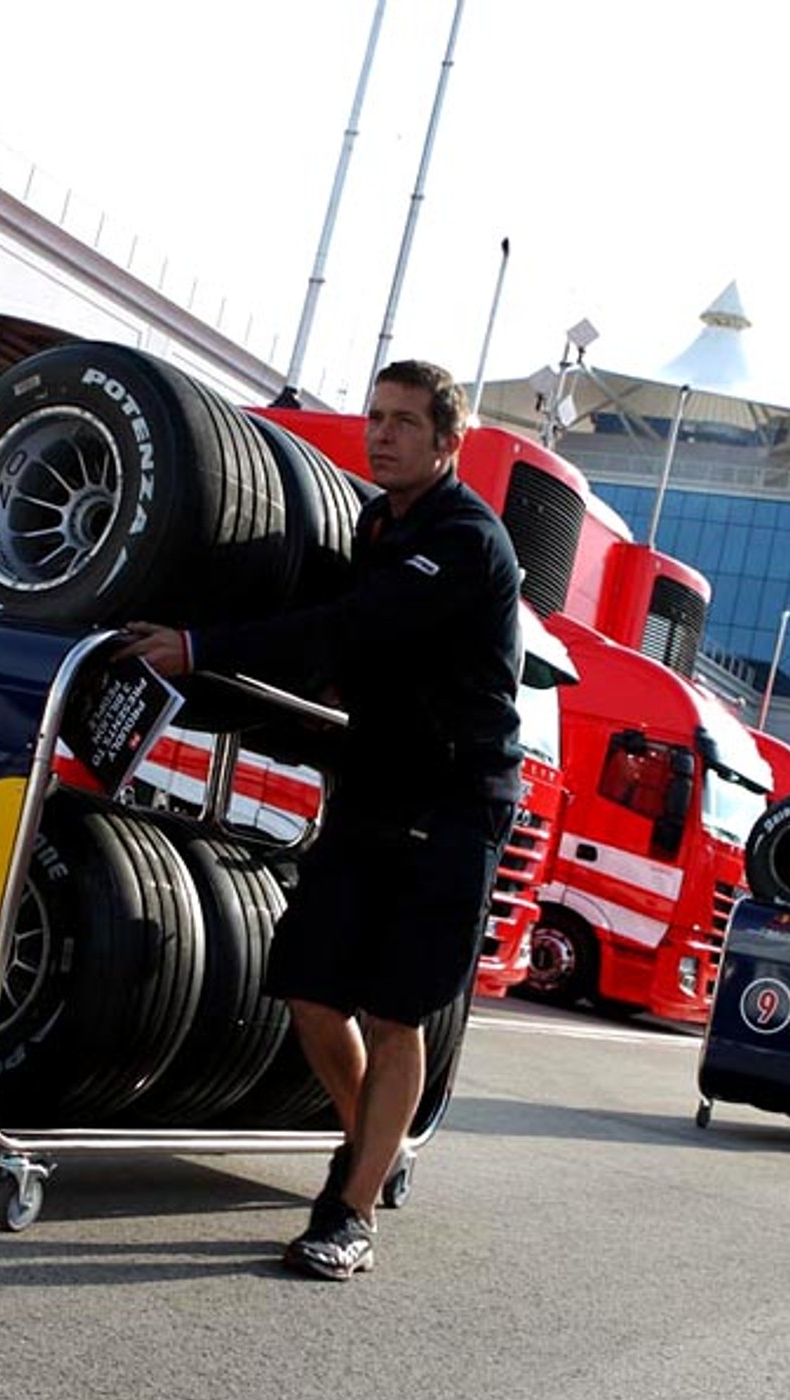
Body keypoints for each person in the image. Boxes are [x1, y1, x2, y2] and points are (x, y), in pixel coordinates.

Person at [122, 359, 521, 1281]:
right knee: (307, 987)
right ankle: (370, 1146)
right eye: (375, 416)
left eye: (405, 422)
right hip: (372, 786)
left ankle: (350, 1212)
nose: (381, 434)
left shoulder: (466, 539)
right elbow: (334, 642)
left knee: (394, 1014)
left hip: (453, 803)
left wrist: (199, 648)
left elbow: (348, 627)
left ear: (449, 441)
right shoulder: (379, 525)